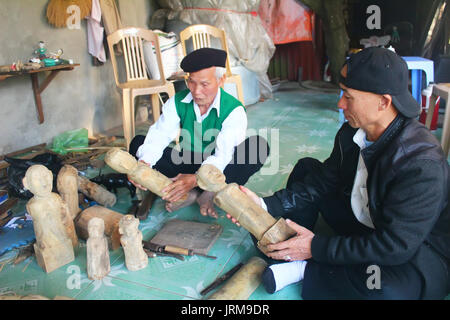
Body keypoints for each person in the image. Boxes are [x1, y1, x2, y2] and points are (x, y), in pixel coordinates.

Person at [229, 47, 450, 299]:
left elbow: (394, 247)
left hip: (415, 251)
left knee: (383, 291)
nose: (340, 103)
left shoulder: (421, 163)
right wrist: (263, 205)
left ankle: (303, 268)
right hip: (365, 223)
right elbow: (323, 181)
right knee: (307, 169)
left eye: (348, 95)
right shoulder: (350, 133)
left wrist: (315, 247)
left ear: (383, 102)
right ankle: (291, 246)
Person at [129, 48, 269, 218]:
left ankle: (209, 194)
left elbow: (224, 156)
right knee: (138, 143)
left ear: (221, 80)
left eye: (204, 84)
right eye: (192, 82)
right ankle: (187, 192)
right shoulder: (178, 101)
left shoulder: (234, 110)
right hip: (186, 161)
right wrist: (144, 164)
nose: (196, 91)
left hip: (218, 169)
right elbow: (159, 135)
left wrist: (197, 179)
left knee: (257, 147)